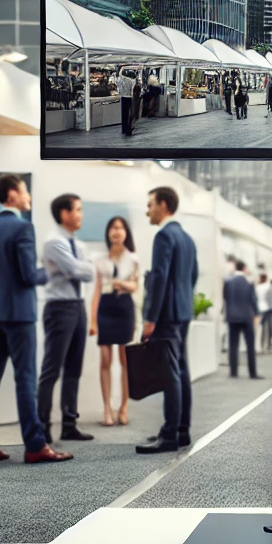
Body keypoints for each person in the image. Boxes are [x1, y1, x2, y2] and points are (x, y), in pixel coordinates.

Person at [0, 174, 72, 464]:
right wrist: (51, 270)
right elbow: (29, 275)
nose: (28, 196)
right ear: (13, 195)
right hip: (19, 314)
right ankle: (34, 445)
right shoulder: (22, 228)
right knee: (25, 379)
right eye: (25, 191)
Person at [137, 186, 198, 454]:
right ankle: (181, 430)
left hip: (166, 315)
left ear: (163, 205)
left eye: (150, 204)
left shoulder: (163, 236)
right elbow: (192, 276)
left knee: (170, 373)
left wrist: (150, 317)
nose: (147, 209)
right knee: (181, 370)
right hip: (182, 312)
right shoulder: (186, 238)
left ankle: (170, 433)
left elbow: (159, 278)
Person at [38, 194, 97, 445]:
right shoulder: (53, 243)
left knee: (74, 368)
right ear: (64, 214)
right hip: (59, 308)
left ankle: (69, 424)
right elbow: (78, 271)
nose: (81, 215)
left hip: (78, 306)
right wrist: (85, 267)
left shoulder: (78, 246)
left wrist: (84, 268)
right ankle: (41, 425)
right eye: (78, 210)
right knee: (51, 370)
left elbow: (90, 273)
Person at [90, 216, 139, 428]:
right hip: (106, 309)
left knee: (126, 361)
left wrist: (123, 284)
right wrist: (92, 320)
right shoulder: (100, 260)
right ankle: (107, 409)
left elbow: (135, 287)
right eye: (112, 228)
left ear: (126, 233)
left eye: (120, 228)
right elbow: (97, 292)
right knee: (104, 361)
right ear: (108, 233)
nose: (116, 231)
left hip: (125, 309)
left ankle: (124, 408)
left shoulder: (134, 259)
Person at [224, 261, 261, 379]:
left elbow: (225, 298)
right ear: (244, 268)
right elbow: (253, 299)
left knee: (233, 345)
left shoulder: (228, 282)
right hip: (246, 317)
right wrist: (256, 313)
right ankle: (252, 373)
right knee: (250, 346)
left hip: (232, 317)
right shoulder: (248, 283)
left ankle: (233, 372)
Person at [256, 270, 272, 351]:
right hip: (270, 308)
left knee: (261, 326)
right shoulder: (269, 286)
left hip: (261, 308)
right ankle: (269, 344)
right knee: (271, 326)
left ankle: (260, 345)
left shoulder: (258, 287)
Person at [118, 69, 136, 136]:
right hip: (129, 98)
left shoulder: (122, 79)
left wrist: (121, 67)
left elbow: (120, 75)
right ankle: (128, 128)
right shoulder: (132, 81)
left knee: (124, 114)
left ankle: (123, 129)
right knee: (129, 114)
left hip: (123, 98)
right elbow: (132, 91)